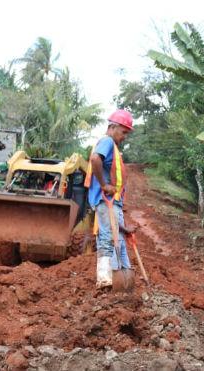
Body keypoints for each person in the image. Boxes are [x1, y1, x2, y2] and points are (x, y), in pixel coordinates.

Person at [85, 109, 136, 289]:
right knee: (109, 239)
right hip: (106, 201)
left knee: (114, 238)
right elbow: (95, 159)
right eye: (123, 132)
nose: (124, 137)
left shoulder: (112, 147)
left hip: (111, 203)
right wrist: (104, 184)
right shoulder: (107, 141)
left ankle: (113, 279)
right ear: (112, 127)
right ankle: (108, 280)